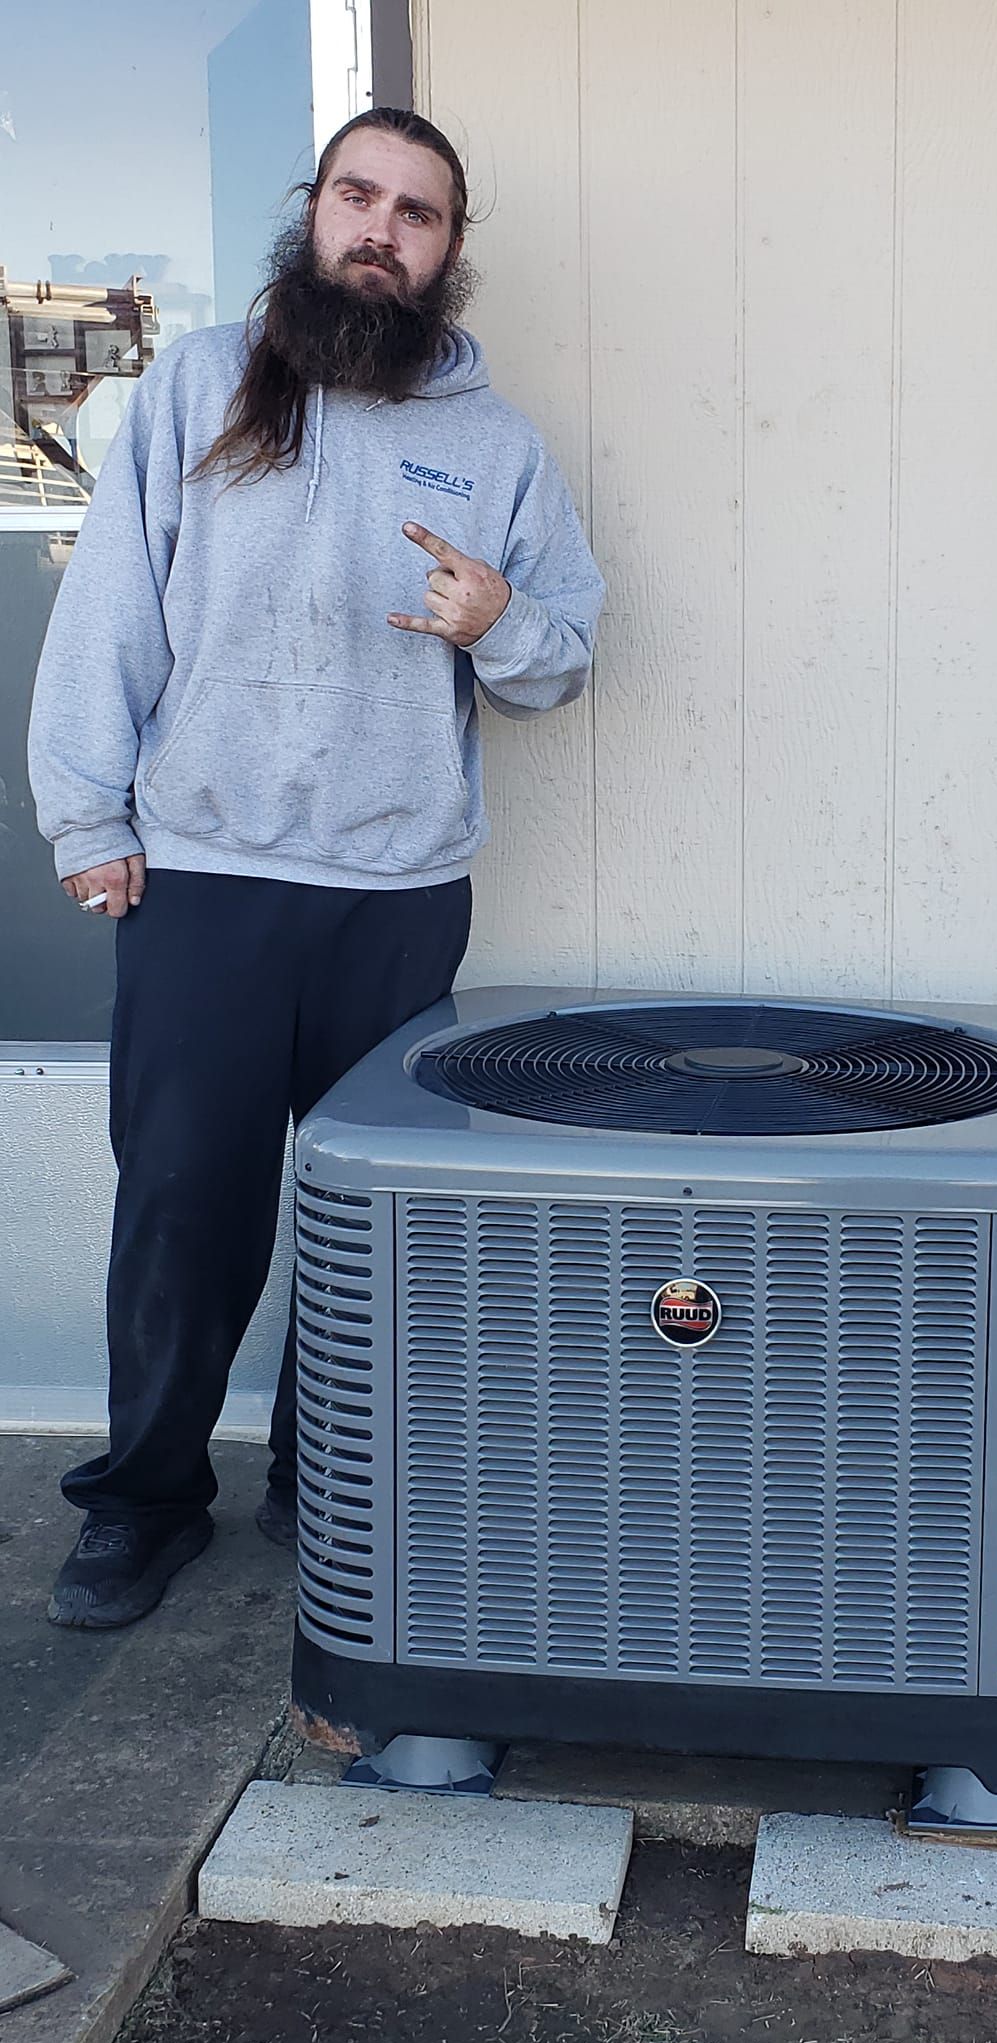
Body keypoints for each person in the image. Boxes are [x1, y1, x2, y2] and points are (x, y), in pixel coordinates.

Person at [27, 108, 604, 1630]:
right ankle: (144, 1502)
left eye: (416, 214)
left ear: (445, 255)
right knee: (183, 1209)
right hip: (204, 876)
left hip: (398, 890)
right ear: (315, 208)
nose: (381, 229)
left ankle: (332, 1482)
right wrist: (90, 819)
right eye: (360, 194)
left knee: (374, 1221)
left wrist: (504, 626)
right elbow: (109, 617)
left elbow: (565, 660)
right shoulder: (202, 384)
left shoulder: (498, 445)